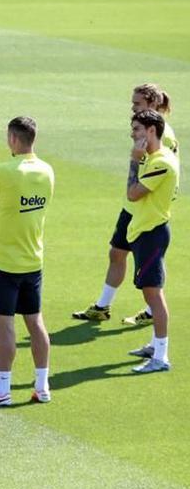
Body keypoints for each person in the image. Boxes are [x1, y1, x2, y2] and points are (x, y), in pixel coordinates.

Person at [0, 117, 55, 407]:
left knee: (3, 326)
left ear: (13, 140)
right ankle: (42, 387)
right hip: (33, 260)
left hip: (4, 263)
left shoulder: (4, 171)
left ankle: (2, 391)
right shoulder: (47, 171)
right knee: (35, 322)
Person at [72, 84, 178, 325]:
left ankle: (152, 313)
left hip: (143, 207)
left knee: (150, 267)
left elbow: (166, 174)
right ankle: (102, 306)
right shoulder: (147, 131)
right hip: (133, 206)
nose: (132, 108)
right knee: (117, 253)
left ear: (151, 104)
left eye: (137, 104)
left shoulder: (163, 136)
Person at [121, 110, 179, 373]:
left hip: (152, 233)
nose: (133, 134)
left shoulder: (160, 162)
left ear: (152, 130)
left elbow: (133, 194)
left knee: (153, 294)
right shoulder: (154, 158)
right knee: (150, 292)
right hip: (145, 231)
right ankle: (156, 346)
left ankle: (161, 357)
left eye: (137, 129)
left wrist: (134, 161)